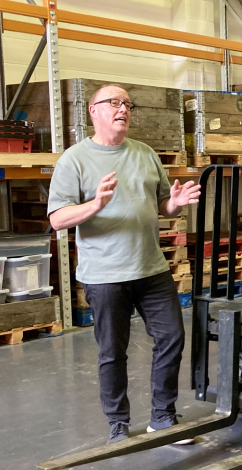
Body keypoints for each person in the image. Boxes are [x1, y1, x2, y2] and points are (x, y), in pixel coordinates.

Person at [48, 84, 201, 444]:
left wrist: (175, 204)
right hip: (105, 276)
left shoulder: (145, 153)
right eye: (114, 102)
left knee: (172, 339)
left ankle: (163, 417)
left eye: (127, 104)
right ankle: (118, 424)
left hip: (152, 269)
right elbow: (57, 219)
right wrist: (94, 206)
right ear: (94, 111)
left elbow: (163, 204)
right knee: (112, 352)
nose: (123, 109)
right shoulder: (74, 160)